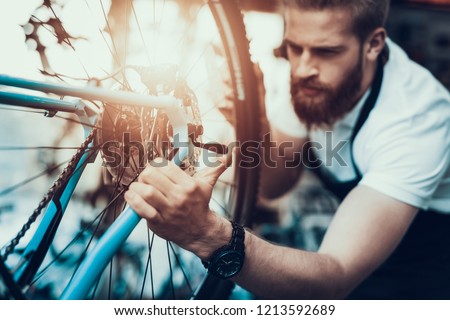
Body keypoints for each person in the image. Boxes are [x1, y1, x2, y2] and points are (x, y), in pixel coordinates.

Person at [124, 0, 450, 299]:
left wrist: (207, 232)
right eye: (294, 47)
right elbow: (275, 183)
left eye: (327, 52)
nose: (304, 67)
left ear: (374, 44)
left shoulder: (419, 119)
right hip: (357, 243)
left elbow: (334, 277)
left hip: (422, 271)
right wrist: (256, 122)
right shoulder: (312, 82)